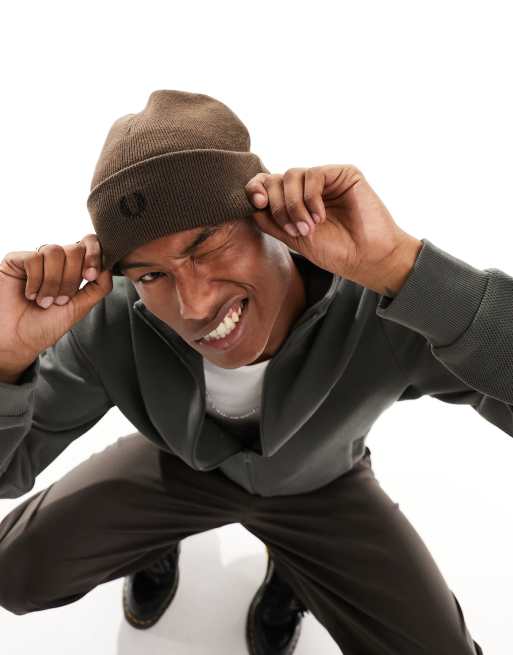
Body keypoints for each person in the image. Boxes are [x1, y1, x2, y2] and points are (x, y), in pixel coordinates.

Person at [2, 89, 508, 655]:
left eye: (205, 247)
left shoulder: (379, 305)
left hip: (320, 484)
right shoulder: (112, 320)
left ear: (267, 221)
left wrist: (400, 266)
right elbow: (7, 470)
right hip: (181, 466)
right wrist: (6, 359)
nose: (194, 305)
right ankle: (152, 543)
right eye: (151, 275)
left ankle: (296, 572)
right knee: (16, 572)